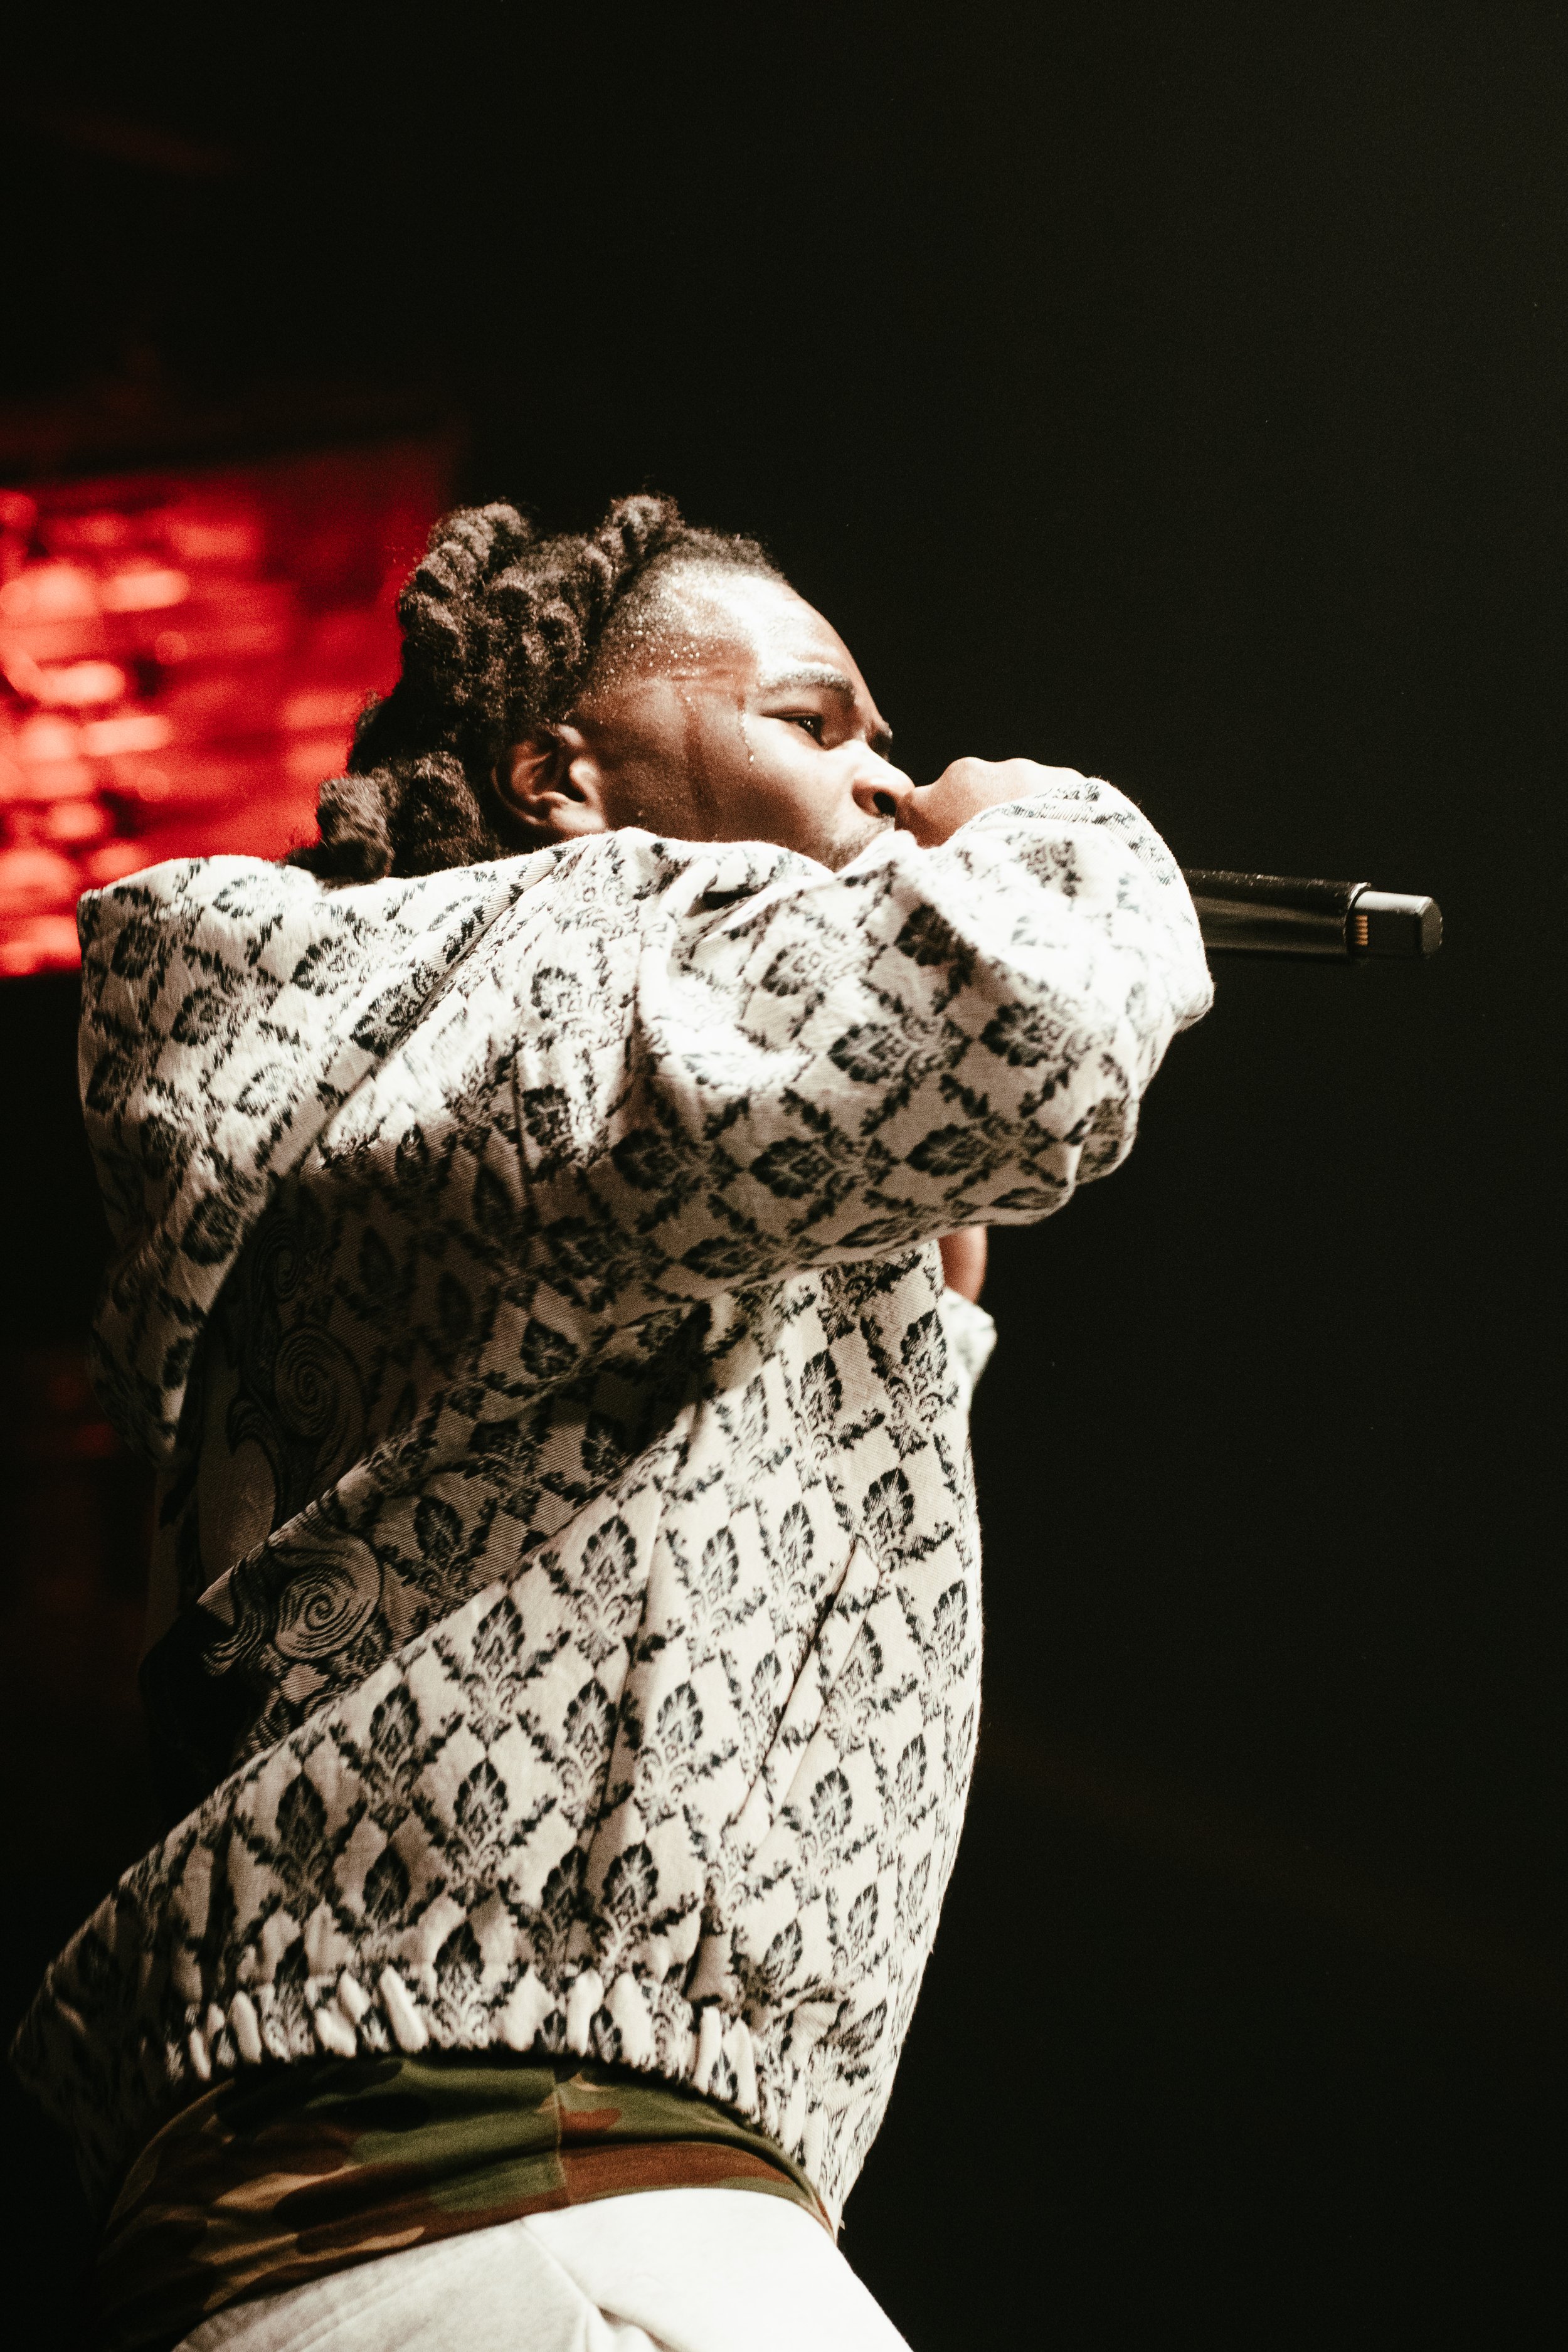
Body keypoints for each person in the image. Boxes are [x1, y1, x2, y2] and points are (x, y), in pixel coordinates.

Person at [13, 494, 1212, 2350]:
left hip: (408, 2236)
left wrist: (919, 1303)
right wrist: (1054, 830)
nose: (900, 791)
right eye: (817, 724)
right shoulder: (576, 948)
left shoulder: (445, 1077)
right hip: (536, 2213)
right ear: (560, 772)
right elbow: (1012, 1015)